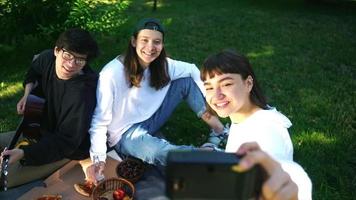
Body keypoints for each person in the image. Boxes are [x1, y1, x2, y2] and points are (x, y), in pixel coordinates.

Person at [86, 18, 228, 183]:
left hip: (152, 116)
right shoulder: (111, 74)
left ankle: (219, 130)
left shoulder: (161, 64)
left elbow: (191, 69)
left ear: (162, 45)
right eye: (144, 40)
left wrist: (210, 98)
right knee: (156, 152)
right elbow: (99, 120)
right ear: (133, 41)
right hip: (125, 133)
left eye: (157, 42)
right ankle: (203, 155)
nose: (150, 47)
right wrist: (98, 159)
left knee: (185, 81)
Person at [201, 50, 312, 199]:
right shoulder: (244, 117)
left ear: (248, 83)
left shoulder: (266, 132)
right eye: (209, 87)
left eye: (226, 84)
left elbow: (288, 175)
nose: (217, 94)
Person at [0, 28, 99, 188]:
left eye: (80, 60)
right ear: (56, 51)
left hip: (68, 148)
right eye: (67, 55)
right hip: (37, 130)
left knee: (4, 178)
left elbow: (66, 142)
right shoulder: (47, 58)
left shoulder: (82, 94)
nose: (71, 64)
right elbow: (33, 71)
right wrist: (27, 94)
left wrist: (25, 153)